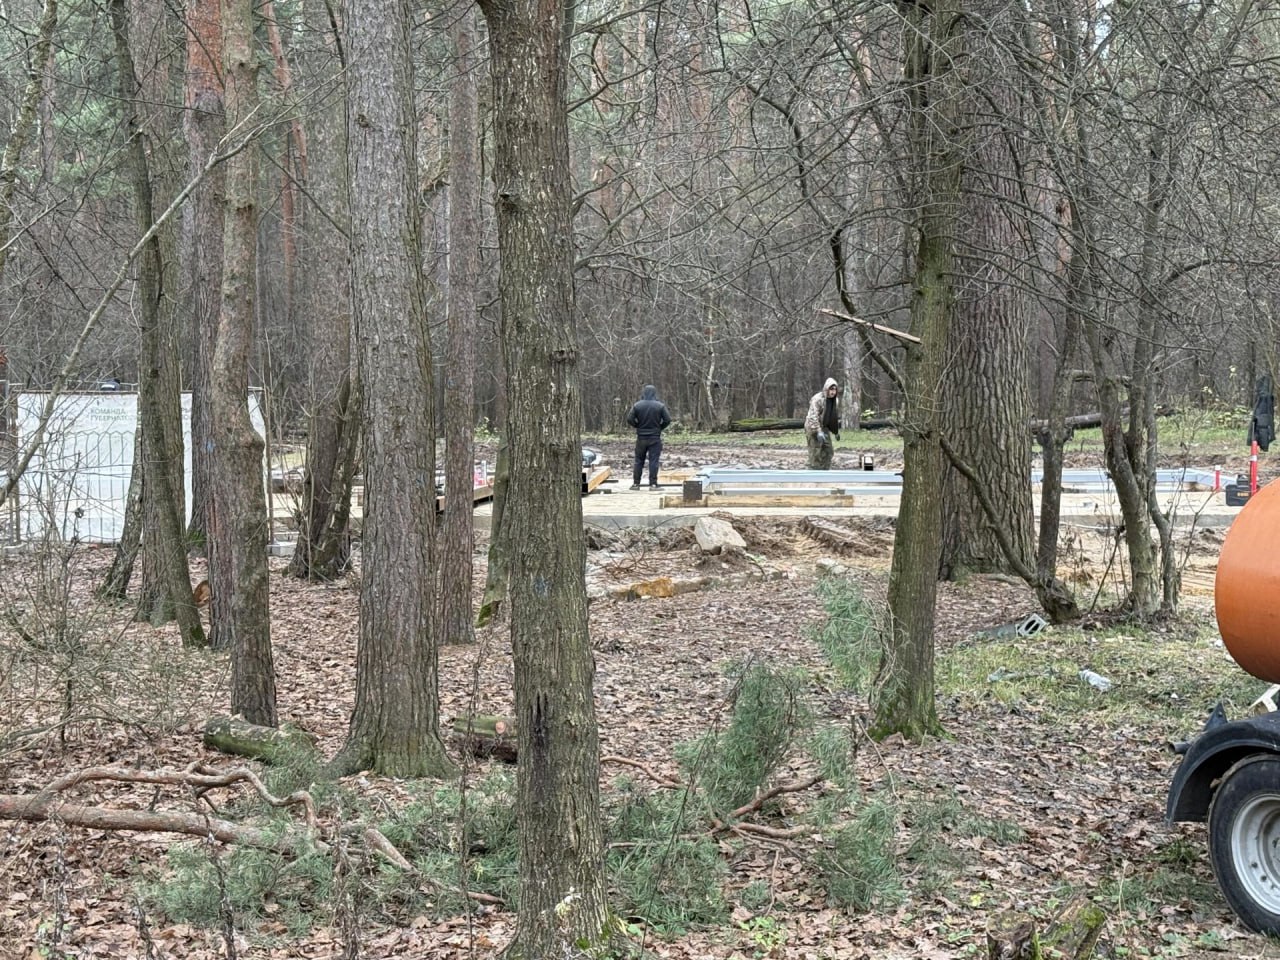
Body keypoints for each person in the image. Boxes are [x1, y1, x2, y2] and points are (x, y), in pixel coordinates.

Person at [626, 384, 672, 490]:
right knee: (653, 461)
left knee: (638, 460)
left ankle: (636, 484)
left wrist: (637, 426)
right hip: (655, 438)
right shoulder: (660, 406)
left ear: (644, 393)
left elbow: (629, 419)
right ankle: (653, 484)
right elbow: (668, 420)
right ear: (655, 393)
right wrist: (659, 428)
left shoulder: (637, 405)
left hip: (641, 438)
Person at [804, 377, 841, 469]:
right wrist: (818, 431)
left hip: (824, 427)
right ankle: (813, 470)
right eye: (831, 389)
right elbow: (813, 416)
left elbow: (833, 417)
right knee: (815, 452)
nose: (833, 392)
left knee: (829, 450)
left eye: (835, 389)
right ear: (826, 389)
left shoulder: (835, 401)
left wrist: (835, 431)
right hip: (813, 427)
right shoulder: (817, 399)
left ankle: (825, 470)